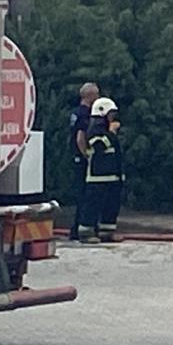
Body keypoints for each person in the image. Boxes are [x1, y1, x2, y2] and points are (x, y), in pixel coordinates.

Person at [76, 97, 124, 244]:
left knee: (111, 205)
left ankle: (107, 231)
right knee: (92, 205)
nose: (113, 118)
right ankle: (86, 232)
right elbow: (98, 146)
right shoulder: (94, 130)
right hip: (97, 176)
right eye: (110, 114)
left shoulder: (107, 130)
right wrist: (111, 133)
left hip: (113, 175)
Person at [68, 82, 99, 241]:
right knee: (85, 194)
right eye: (97, 94)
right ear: (90, 95)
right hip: (82, 159)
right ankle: (80, 228)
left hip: (75, 157)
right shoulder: (85, 114)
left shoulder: (75, 112)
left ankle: (76, 229)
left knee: (80, 194)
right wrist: (87, 154)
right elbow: (80, 137)